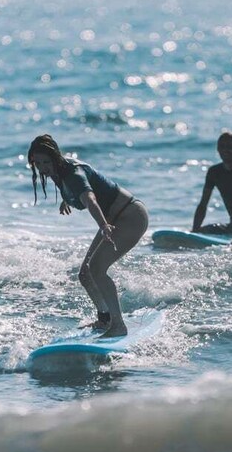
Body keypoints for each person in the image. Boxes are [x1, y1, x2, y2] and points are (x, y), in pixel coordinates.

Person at [28, 134, 149, 337]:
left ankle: (119, 326)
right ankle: (105, 319)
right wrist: (68, 199)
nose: (42, 168)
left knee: (97, 269)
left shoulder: (73, 174)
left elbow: (91, 199)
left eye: (46, 162)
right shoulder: (59, 171)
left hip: (130, 217)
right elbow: (82, 191)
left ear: (56, 157)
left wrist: (103, 225)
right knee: (85, 274)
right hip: (114, 219)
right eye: (37, 163)